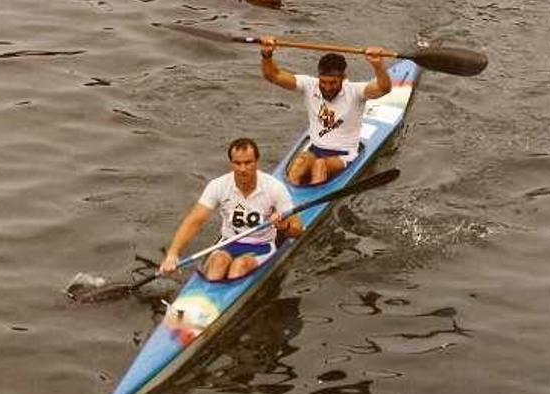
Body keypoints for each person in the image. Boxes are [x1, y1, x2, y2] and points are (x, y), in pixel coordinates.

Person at [159, 138, 303, 281]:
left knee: (239, 267)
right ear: (231, 163)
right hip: (228, 242)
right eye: (237, 163)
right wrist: (173, 254)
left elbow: (298, 230)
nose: (242, 169)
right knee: (217, 264)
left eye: (248, 163)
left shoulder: (274, 188)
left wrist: (285, 226)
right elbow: (195, 221)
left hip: (261, 246)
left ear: (256, 162)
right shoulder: (218, 186)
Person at [260, 37, 392, 185]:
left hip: (344, 155)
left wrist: (378, 66)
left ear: (343, 78)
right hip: (315, 150)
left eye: (333, 83)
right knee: (298, 165)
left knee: (319, 166)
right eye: (323, 82)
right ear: (318, 77)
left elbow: (383, 88)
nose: (327, 88)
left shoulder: (355, 91)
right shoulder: (309, 85)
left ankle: (317, 202)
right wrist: (267, 55)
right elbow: (273, 75)